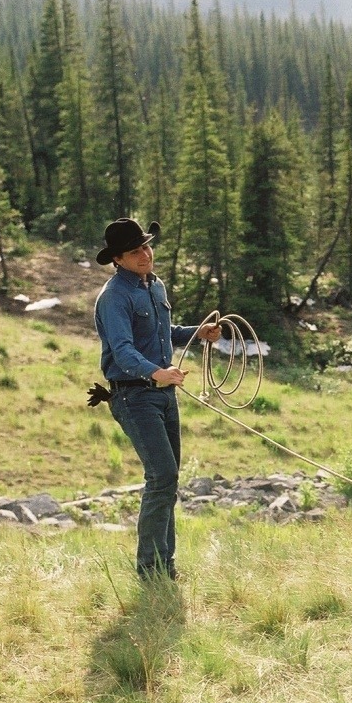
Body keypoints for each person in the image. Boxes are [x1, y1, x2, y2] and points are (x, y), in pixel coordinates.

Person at [91, 217, 220, 580]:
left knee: (168, 479)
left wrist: (199, 332)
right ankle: (151, 570)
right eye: (135, 251)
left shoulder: (155, 287)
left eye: (146, 246)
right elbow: (122, 351)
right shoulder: (114, 297)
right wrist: (156, 372)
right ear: (117, 259)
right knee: (162, 476)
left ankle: (166, 566)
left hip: (163, 397)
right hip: (134, 397)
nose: (145, 254)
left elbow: (166, 335)